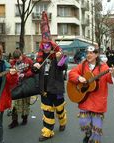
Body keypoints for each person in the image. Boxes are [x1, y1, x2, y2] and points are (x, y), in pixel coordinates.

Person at [32, 11, 67, 142]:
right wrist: (35, 67)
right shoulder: (40, 58)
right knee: (47, 111)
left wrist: (59, 59)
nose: (46, 48)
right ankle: (48, 131)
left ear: (51, 45)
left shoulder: (59, 56)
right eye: (44, 46)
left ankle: (63, 121)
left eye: (48, 45)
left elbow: (63, 67)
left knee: (59, 108)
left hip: (56, 88)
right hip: (44, 89)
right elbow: (34, 71)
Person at [68, 45, 114, 143]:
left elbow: (110, 80)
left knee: (97, 129)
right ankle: (88, 133)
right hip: (85, 100)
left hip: (98, 101)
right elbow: (72, 73)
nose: (88, 55)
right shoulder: (83, 65)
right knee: (83, 122)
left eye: (91, 53)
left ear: (96, 54)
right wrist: (78, 78)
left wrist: (113, 74)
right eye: (87, 53)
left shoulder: (103, 66)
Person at [8, 49, 34, 129]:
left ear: (21, 55)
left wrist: (25, 74)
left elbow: (34, 71)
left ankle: (24, 118)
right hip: (16, 85)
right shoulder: (12, 63)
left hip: (26, 84)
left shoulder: (28, 60)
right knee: (15, 103)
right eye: (15, 59)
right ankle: (14, 121)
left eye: (18, 58)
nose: (17, 60)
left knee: (25, 102)